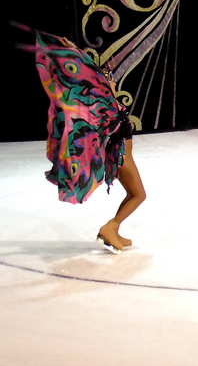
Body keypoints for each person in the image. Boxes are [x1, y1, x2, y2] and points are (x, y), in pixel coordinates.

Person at [56, 36, 146, 254]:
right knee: (138, 195)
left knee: (132, 194)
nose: (114, 84)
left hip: (121, 155)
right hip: (121, 156)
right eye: (110, 81)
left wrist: (75, 50)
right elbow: (90, 73)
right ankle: (110, 227)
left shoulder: (108, 106)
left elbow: (91, 71)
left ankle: (114, 229)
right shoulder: (107, 108)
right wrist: (75, 52)